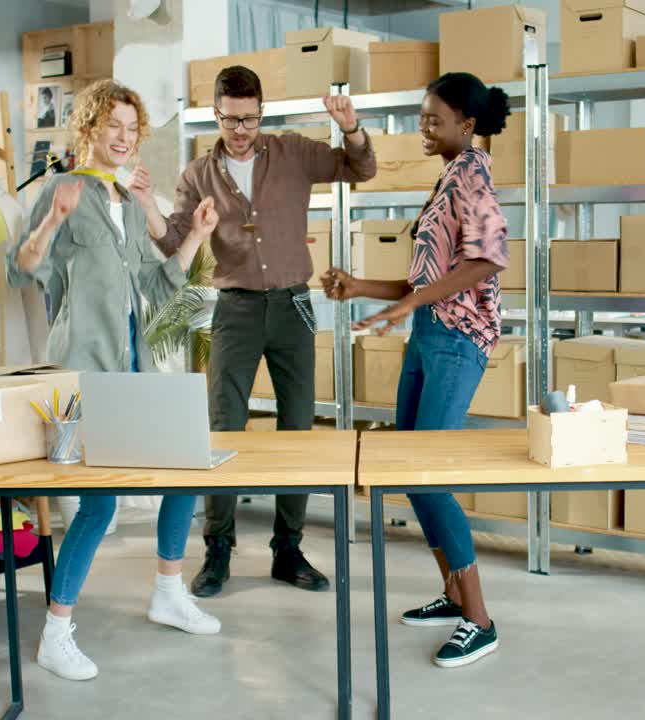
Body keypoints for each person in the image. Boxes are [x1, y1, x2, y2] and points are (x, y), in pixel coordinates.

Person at [7, 79, 221, 681]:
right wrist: (53, 219)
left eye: (132, 128)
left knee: (184, 467)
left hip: (136, 368)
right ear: (89, 129)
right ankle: (56, 634)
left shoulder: (128, 201)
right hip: (84, 370)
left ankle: (169, 591)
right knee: (98, 506)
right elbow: (21, 268)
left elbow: (159, 286)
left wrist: (197, 235)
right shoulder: (62, 192)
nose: (124, 138)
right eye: (113, 127)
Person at [149, 65, 377, 598]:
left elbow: (361, 169)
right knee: (223, 427)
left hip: (294, 305)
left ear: (261, 113)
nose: (241, 130)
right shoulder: (197, 175)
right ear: (216, 114)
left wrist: (351, 127)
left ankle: (288, 549)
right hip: (235, 309)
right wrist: (146, 206)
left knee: (297, 425)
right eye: (231, 120)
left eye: (250, 119)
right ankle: (218, 550)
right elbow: (172, 244)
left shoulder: (293, 152)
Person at [322, 72, 510, 668]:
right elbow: (423, 281)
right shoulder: (448, 178)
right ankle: (453, 595)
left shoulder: (473, 174)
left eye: (434, 118)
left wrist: (412, 303)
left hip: (456, 339)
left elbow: (487, 260)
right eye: (421, 116)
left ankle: (480, 620)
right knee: (408, 467)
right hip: (429, 331)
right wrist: (360, 287)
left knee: (427, 474)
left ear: (467, 124)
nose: (424, 127)